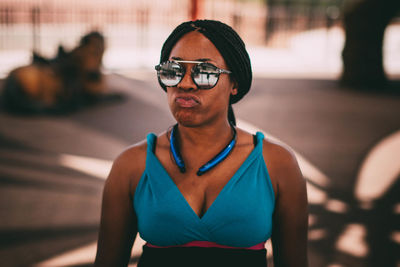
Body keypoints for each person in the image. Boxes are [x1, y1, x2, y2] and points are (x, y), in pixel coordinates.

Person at [94, 19, 308, 267]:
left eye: (205, 72)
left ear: (235, 84)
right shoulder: (132, 165)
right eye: (173, 71)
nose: (185, 84)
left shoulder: (277, 165)